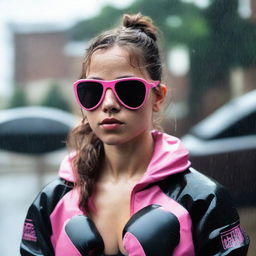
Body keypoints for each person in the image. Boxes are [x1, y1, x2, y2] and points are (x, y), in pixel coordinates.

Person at [20, 13, 250, 256]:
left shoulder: (203, 199)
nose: (108, 103)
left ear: (158, 97)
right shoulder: (52, 201)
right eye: (92, 91)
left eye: (128, 89)